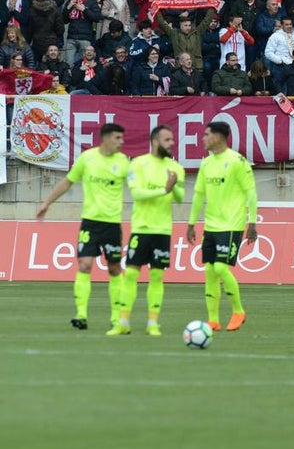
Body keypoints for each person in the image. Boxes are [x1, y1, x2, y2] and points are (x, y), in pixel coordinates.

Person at [35, 122, 130, 332]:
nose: (121, 143)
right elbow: (68, 181)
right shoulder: (87, 159)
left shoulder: (123, 162)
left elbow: (136, 186)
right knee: (85, 265)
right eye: (118, 138)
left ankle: (116, 318)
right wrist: (46, 203)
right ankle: (81, 315)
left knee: (114, 268)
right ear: (105, 138)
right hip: (90, 223)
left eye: (122, 139)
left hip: (113, 225)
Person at [110, 125, 186, 336]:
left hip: (162, 230)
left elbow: (179, 198)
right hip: (141, 228)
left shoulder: (175, 167)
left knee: (157, 277)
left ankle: (153, 323)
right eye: (167, 140)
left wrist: (175, 185)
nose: (172, 143)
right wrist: (165, 189)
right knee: (131, 274)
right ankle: (123, 322)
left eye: (172, 139)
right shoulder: (139, 164)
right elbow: (137, 194)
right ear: (155, 141)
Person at [186, 121, 258, 333]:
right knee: (209, 271)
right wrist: (191, 223)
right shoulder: (206, 164)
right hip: (211, 225)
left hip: (232, 224)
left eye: (207, 135)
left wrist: (251, 223)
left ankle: (238, 311)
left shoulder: (237, 161)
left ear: (218, 137)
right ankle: (213, 320)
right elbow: (199, 194)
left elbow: (251, 193)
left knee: (219, 268)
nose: (203, 138)